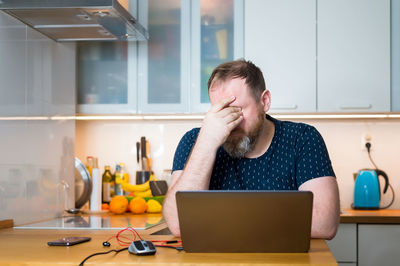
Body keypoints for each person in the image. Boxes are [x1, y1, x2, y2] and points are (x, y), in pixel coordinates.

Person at [163, 59, 340, 239]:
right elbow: (179, 225)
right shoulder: (194, 141)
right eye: (219, 112)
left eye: (236, 110)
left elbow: (325, 223)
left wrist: (219, 219)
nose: (229, 123)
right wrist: (207, 142)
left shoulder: (302, 139)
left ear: (265, 101)